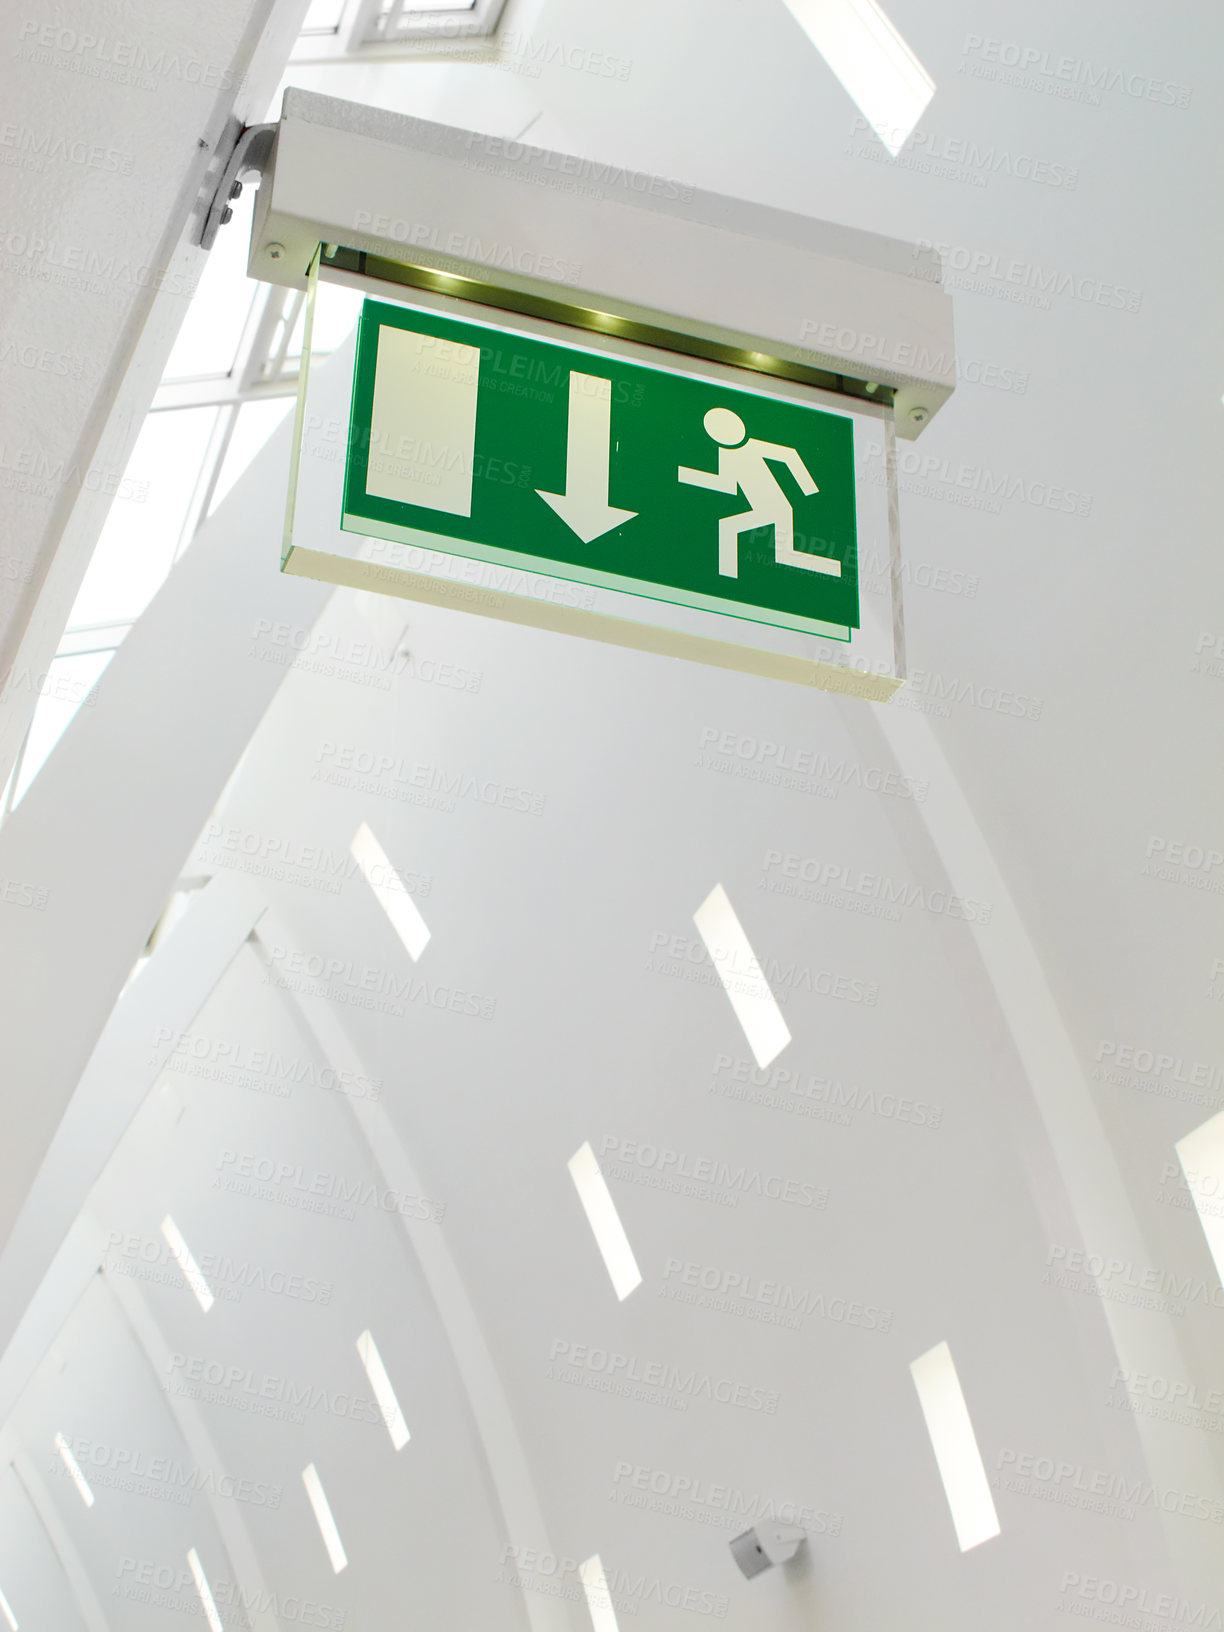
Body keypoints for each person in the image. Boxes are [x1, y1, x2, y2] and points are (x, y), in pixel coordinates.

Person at [678, 407, 841, 579]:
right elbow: (727, 485)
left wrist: (808, 487)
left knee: (732, 529)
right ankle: (833, 568)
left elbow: (789, 455)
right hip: (764, 509)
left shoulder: (753, 446)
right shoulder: (725, 456)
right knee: (784, 552)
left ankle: (728, 578)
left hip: (778, 507)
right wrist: (690, 475)